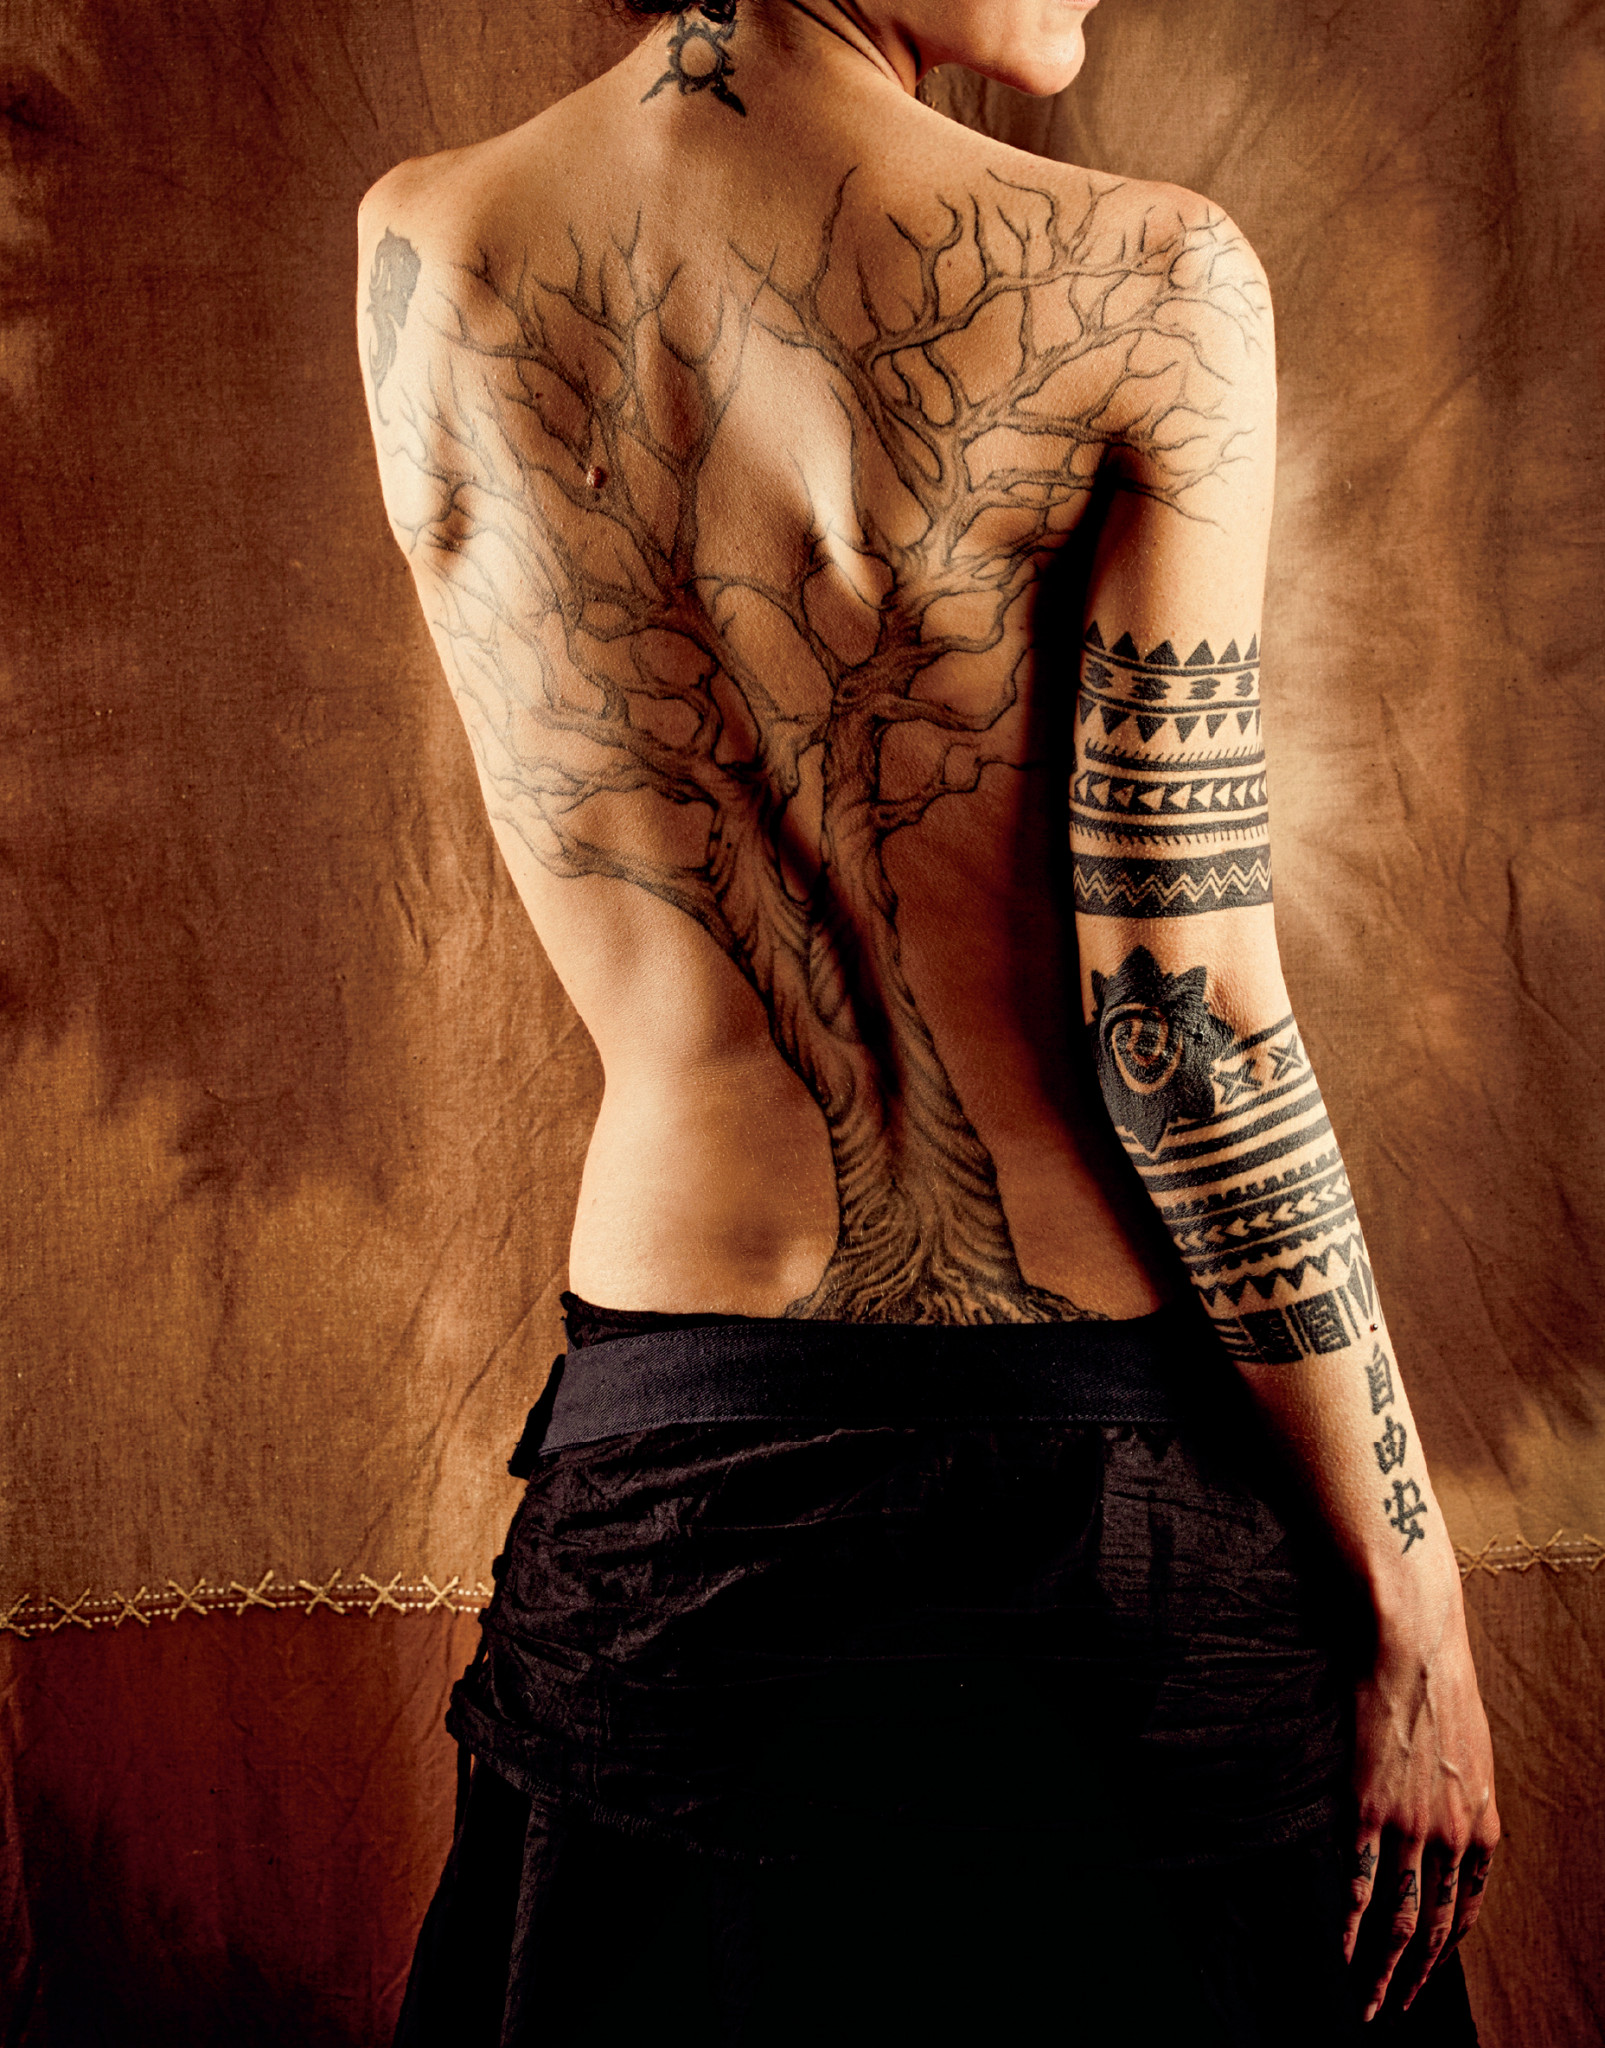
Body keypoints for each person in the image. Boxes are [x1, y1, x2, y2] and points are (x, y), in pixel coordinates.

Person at [358, 2, 1499, 2040]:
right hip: (1086, 1513)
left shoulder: (427, 251)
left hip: (666, 1491)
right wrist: (1407, 1589)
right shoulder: (1148, 277)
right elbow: (1179, 1022)